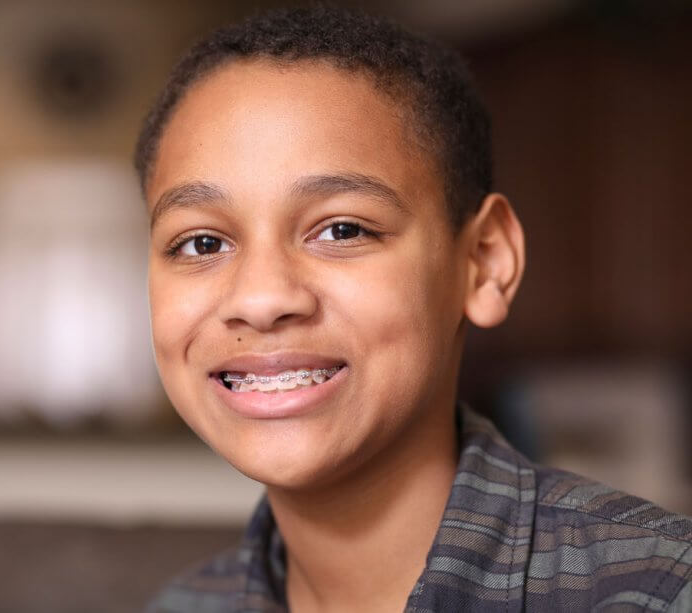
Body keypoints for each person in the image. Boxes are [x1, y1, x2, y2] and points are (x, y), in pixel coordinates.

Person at [136, 6, 692, 612]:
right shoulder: (185, 605)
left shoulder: (656, 593)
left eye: (343, 230)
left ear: (484, 262)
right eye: (202, 243)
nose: (262, 299)